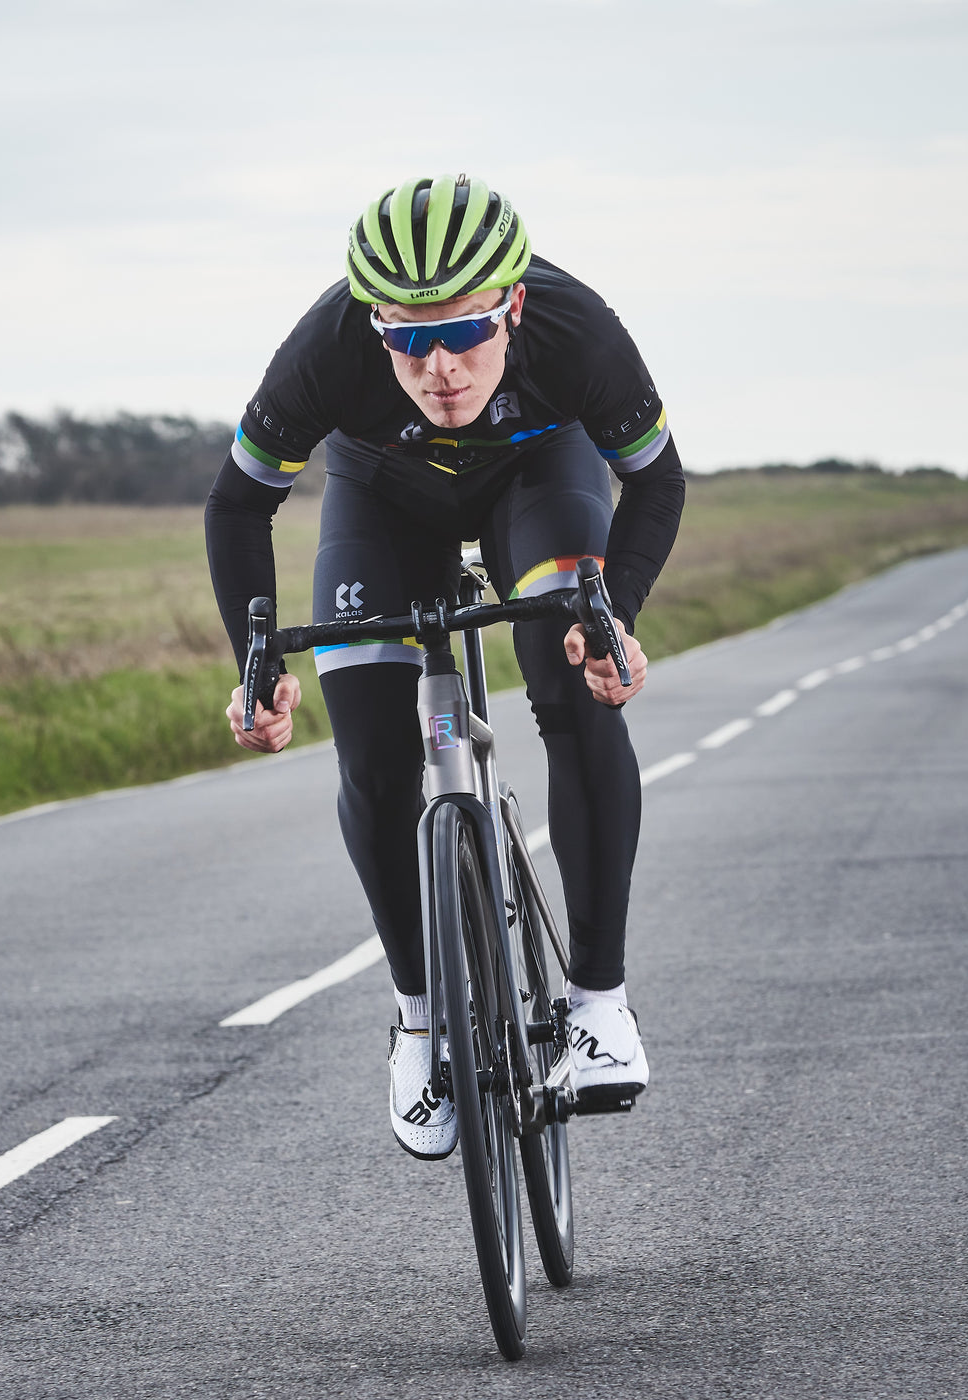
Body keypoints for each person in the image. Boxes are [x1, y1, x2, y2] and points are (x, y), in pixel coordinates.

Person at [206, 173, 684, 1159]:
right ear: (372, 326)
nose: (438, 368)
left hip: (536, 480)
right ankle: (421, 1020)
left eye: (462, 333)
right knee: (375, 760)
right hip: (381, 504)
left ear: (511, 305)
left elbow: (651, 475)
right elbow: (237, 501)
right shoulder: (324, 351)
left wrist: (618, 617)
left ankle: (599, 1003)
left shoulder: (577, 331)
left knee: (576, 681)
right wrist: (253, 669)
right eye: (407, 340)